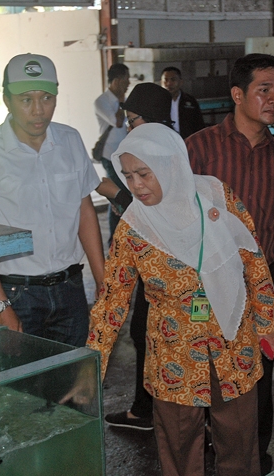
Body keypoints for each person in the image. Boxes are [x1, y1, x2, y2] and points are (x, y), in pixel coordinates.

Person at [87, 123, 274, 476]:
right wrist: (92, 364)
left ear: (171, 165)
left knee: (239, 442)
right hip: (173, 349)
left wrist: (267, 323)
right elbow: (112, 299)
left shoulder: (215, 196)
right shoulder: (133, 228)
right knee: (178, 447)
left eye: (144, 173)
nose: (136, 185)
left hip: (232, 340)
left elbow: (253, 259)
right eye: (128, 176)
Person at [186, 52, 274, 474]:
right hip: (206, 282)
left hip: (261, 284)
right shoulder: (199, 149)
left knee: (260, 375)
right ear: (238, 94)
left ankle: (256, 459)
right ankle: (210, 451)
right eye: (263, 90)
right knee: (206, 372)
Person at [0, 53, 104, 347]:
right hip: (16, 294)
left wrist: (102, 280)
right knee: (23, 376)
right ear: (7, 100)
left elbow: (85, 211)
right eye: (26, 100)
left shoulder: (70, 140)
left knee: (74, 373)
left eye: (46, 98)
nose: (38, 110)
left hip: (70, 289)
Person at [95, 81, 174, 432]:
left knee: (151, 333)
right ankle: (149, 408)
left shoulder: (166, 155)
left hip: (165, 268)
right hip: (149, 262)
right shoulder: (163, 148)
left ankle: (157, 412)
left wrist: (116, 193)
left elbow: (156, 209)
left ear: (151, 118)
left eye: (133, 120)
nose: (129, 127)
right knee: (144, 332)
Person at [94, 63, 131, 239]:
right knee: (117, 195)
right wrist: (121, 101)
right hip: (109, 155)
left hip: (124, 155)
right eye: (126, 79)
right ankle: (114, 240)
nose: (128, 83)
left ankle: (124, 235)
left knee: (124, 194)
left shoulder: (123, 100)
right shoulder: (102, 101)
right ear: (116, 81)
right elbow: (117, 121)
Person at [161, 66, 205, 139]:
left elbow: (199, 125)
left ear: (181, 82)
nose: (169, 83)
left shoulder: (190, 101)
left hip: (187, 141)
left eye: (173, 80)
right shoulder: (158, 103)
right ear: (161, 82)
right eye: (165, 80)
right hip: (166, 141)